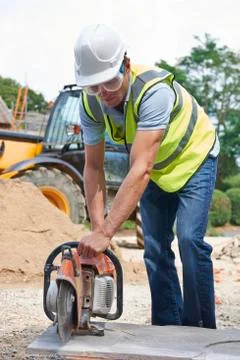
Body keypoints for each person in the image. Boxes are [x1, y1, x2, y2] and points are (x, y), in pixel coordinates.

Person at [74, 24, 219, 329]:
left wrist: (108, 232)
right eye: (93, 86)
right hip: (155, 170)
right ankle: (167, 328)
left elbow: (141, 168)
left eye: (109, 82)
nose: (102, 94)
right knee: (154, 247)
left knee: (190, 240)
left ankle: (198, 330)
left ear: (125, 65)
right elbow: (93, 167)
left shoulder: (154, 92)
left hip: (194, 160)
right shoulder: (90, 104)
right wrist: (98, 228)